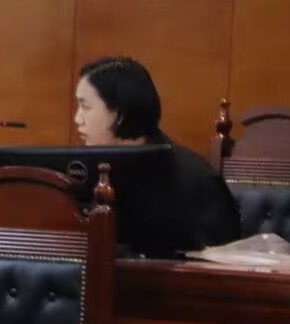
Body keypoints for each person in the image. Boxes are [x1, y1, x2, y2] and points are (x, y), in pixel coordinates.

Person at [73, 56, 243, 253]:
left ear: (120, 114)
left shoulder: (195, 179)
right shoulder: (84, 171)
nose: (77, 119)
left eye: (86, 107)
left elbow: (221, 260)